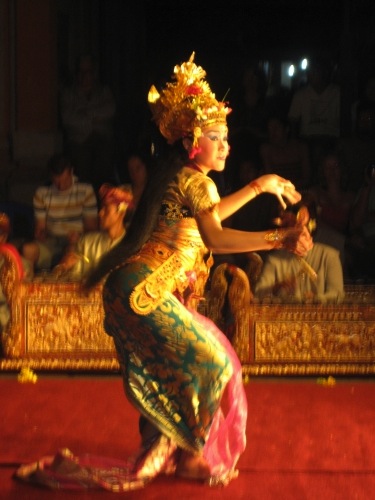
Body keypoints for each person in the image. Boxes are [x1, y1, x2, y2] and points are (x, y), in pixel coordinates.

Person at [15, 53, 312, 491]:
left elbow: (208, 219)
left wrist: (258, 185)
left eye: (226, 136)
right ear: (194, 142)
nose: (226, 145)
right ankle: (186, 455)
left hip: (137, 288)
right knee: (214, 364)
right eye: (216, 137)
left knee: (193, 366)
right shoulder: (196, 181)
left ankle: (183, 452)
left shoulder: (184, 178)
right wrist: (279, 240)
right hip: (145, 290)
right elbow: (216, 239)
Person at [254, 201, 345, 303]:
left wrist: (315, 300)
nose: (296, 230)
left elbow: (337, 294)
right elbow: (258, 294)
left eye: (300, 224)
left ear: (310, 226)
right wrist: (276, 288)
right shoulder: (275, 259)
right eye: (289, 225)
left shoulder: (329, 256)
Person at [21, 154, 98, 274]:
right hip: (51, 241)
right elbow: (40, 227)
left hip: (76, 240)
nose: (61, 186)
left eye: (64, 181)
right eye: (56, 182)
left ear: (71, 172)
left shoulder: (85, 190)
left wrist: (79, 236)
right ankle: (29, 289)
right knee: (28, 249)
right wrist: (41, 233)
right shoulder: (42, 193)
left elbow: (92, 228)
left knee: (71, 250)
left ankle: (63, 288)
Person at [52, 184, 133, 281]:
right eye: (101, 208)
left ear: (121, 212)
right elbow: (70, 278)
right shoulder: (86, 242)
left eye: (106, 209)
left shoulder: (131, 245)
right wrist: (63, 267)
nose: (100, 213)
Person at [60, 54, 116, 191]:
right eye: (82, 72)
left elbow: (110, 110)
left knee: (104, 168)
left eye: (88, 72)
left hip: (102, 143)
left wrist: (86, 113)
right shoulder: (68, 94)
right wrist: (95, 116)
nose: (85, 76)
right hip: (78, 144)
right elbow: (68, 118)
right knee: (81, 170)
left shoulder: (103, 92)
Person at [260, 114, 311, 190]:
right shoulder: (267, 150)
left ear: (286, 129)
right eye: (270, 128)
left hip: (300, 190)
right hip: (277, 192)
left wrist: (291, 188)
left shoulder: (300, 147)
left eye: (276, 128)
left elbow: (307, 178)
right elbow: (270, 178)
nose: (273, 132)